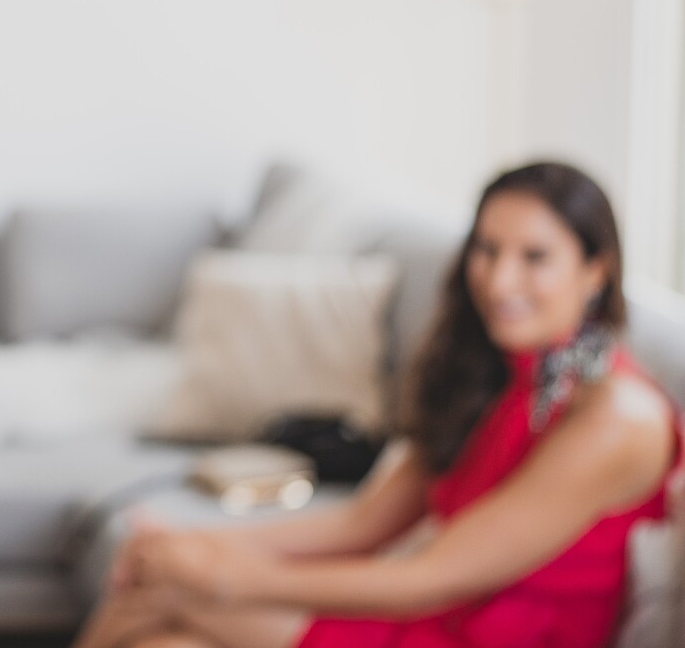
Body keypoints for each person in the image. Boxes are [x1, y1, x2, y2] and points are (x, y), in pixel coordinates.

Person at [75, 161, 682, 648]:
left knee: (167, 602)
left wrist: (222, 573)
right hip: (438, 617)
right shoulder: (492, 376)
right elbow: (363, 524)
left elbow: (430, 576)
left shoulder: (616, 419)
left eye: (534, 257)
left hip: (471, 626)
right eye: (487, 250)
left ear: (596, 271)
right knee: (165, 628)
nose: (498, 282)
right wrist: (194, 541)